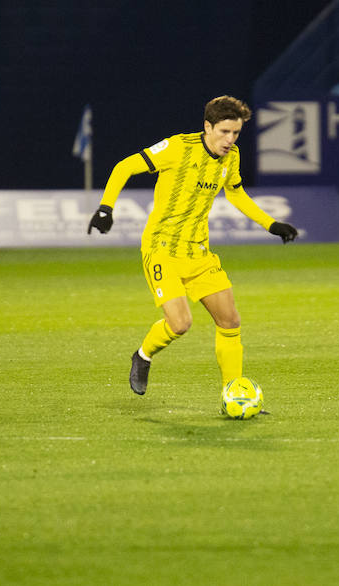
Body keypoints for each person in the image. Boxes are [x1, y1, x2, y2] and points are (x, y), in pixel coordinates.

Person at [87, 95, 298, 397]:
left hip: (198, 252)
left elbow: (236, 193)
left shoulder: (232, 156)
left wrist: (270, 224)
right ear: (207, 127)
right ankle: (143, 355)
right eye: (224, 132)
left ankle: (234, 393)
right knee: (180, 323)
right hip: (162, 248)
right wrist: (106, 208)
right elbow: (124, 166)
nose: (230, 140)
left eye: (236, 133)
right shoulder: (177, 148)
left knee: (230, 320)